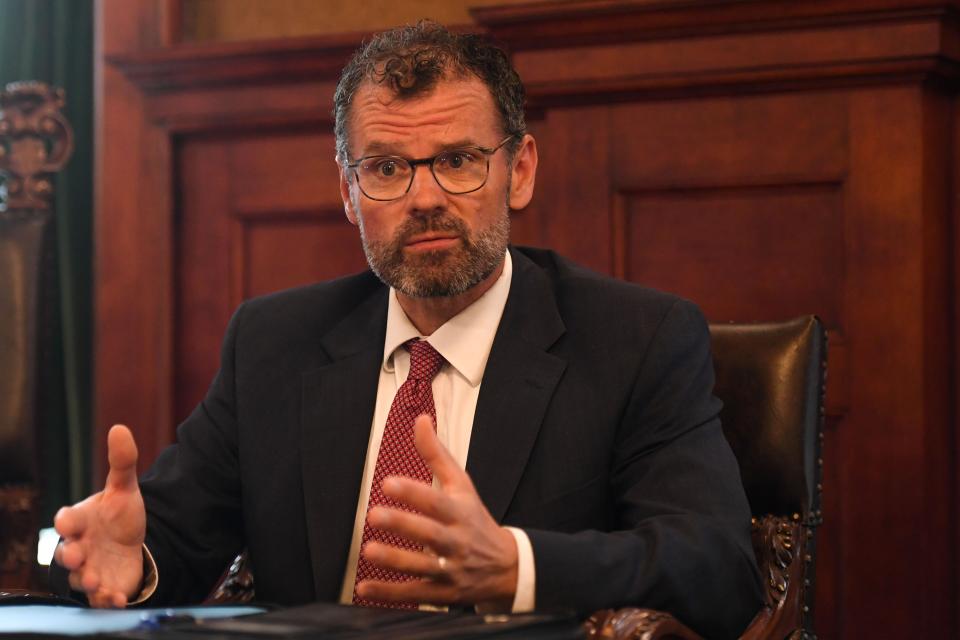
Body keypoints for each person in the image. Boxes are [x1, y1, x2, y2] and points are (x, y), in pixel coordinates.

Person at [52, 21, 762, 639]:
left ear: (519, 171)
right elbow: (171, 536)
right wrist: (129, 563)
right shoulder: (275, 342)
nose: (424, 198)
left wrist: (517, 566)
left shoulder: (637, 340)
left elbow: (718, 570)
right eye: (387, 169)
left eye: (457, 161)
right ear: (349, 194)